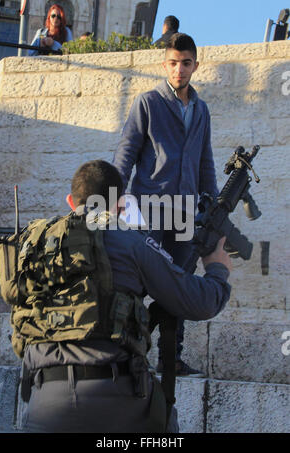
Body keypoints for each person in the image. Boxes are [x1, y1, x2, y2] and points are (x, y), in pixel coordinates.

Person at [9, 160, 232, 433]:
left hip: (41, 404)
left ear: (70, 201)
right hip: (116, 400)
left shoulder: (37, 242)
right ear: (119, 203)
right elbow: (200, 301)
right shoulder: (130, 241)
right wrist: (217, 267)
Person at [113, 33, 219, 377]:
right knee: (139, 282)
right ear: (165, 65)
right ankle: (126, 353)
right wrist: (114, 193)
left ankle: (170, 357)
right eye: (173, 63)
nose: (179, 69)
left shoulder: (201, 110)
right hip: (150, 207)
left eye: (186, 63)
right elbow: (127, 151)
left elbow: (205, 161)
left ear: (195, 66)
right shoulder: (148, 103)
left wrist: (212, 205)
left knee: (181, 284)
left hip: (186, 212)